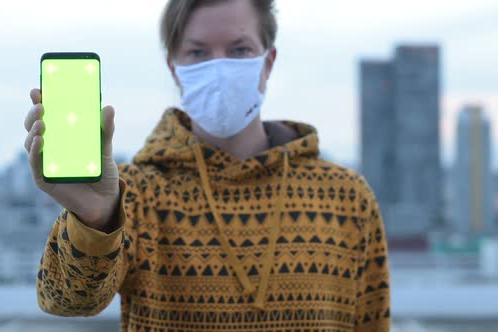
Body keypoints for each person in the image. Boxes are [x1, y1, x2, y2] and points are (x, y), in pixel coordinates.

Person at [24, 0, 391, 331]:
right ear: (174, 67)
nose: (219, 67)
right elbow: (66, 300)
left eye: (239, 49)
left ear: (269, 61)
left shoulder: (347, 197)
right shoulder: (135, 195)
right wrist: (95, 219)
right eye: (198, 52)